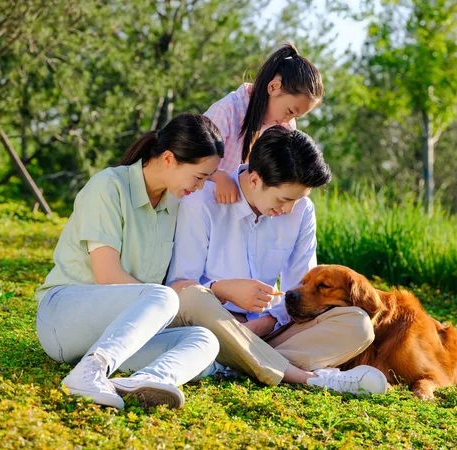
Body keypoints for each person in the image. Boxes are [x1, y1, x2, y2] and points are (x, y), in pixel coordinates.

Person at [166, 126, 388, 395]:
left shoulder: (301, 211)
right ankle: (300, 376)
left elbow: (301, 291)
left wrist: (265, 322)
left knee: (358, 325)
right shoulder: (202, 201)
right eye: (284, 199)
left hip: (272, 332)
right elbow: (180, 286)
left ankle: (233, 364)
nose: (289, 210)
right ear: (255, 180)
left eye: (298, 199)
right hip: (214, 323)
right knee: (193, 297)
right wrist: (223, 289)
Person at [35, 114, 225, 410]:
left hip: (117, 333)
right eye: (199, 177)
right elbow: (107, 275)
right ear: (169, 159)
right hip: (62, 318)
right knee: (162, 296)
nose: (199, 188)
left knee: (204, 340)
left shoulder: (174, 205)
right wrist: (168, 301)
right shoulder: (108, 187)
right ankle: (91, 372)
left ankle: (146, 379)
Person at [205, 42, 323, 204]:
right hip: (207, 198)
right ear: (273, 87)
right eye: (290, 111)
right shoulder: (227, 111)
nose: (288, 122)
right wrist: (219, 176)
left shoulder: (285, 126)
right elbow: (192, 159)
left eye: (296, 116)